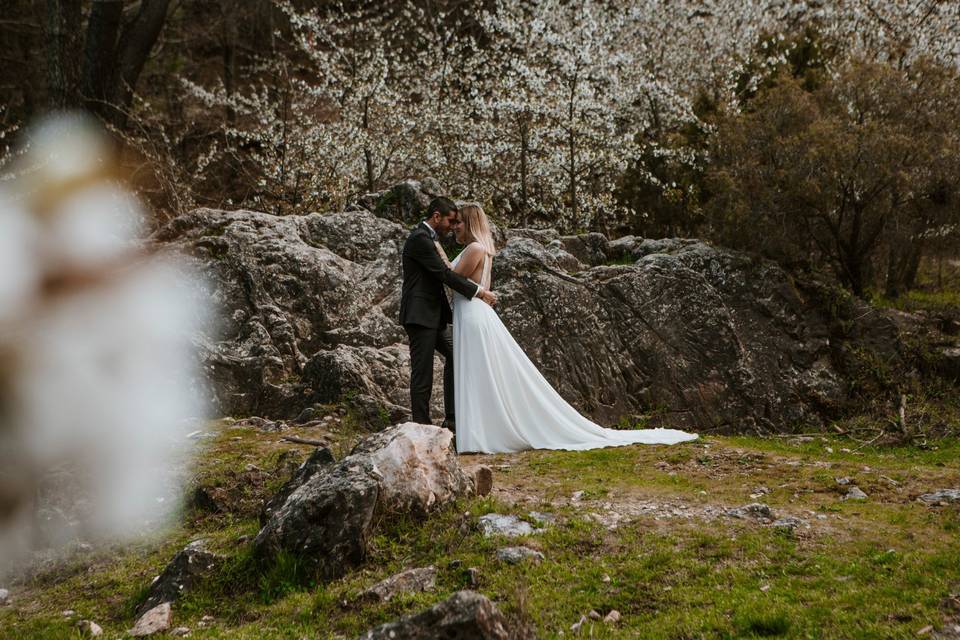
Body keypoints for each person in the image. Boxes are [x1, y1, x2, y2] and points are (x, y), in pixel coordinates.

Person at [448, 202, 698, 453]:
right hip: (474, 312)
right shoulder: (484, 249)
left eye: (458, 222)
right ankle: (479, 431)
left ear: (469, 223)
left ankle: (480, 433)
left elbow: (451, 276)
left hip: (472, 313)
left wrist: (436, 253)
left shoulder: (475, 248)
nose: (454, 227)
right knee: (478, 372)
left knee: (476, 372)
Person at [399, 196, 497, 430]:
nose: (453, 227)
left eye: (456, 222)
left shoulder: (430, 239)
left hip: (435, 316)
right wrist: (480, 292)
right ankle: (421, 426)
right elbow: (444, 274)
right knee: (422, 372)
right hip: (420, 315)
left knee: (456, 357)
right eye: (450, 221)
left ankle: (452, 419)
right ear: (436, 217)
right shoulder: (420, 239)